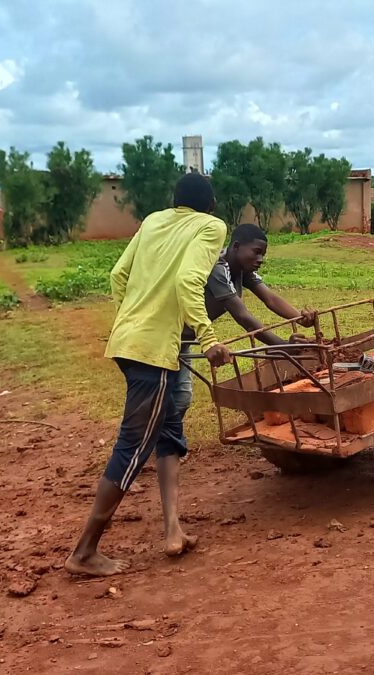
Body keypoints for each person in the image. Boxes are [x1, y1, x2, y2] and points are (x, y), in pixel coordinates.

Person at [65, 173, 233, 577]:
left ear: (175, 202)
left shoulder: (155, 220)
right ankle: (85, 551)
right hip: (153, 353)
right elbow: (189, 280)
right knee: (133, 446)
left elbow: (118, 276)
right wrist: (208, 338)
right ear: (209, 206)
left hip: (134, 343)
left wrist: (133, 319)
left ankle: (173, 529)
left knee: (169, 427)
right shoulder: (211, 227)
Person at [168, 221, 317, 458]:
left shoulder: (242, 270)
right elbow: (243, 317)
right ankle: (152, 448)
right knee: (160, 396)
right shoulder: (217, 267)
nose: (260, 259)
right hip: (167, 335)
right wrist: (284, 346)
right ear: (236, 246)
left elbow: (270, 299)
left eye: (263, 254)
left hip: (184, 338)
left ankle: (166, 448)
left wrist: (300, 318)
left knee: (180, 398)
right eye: (256, 252)